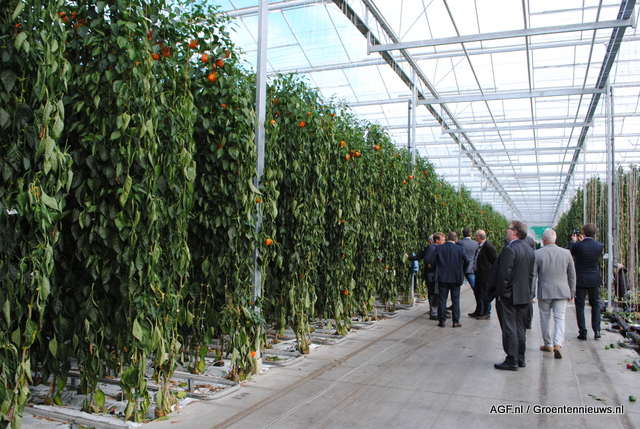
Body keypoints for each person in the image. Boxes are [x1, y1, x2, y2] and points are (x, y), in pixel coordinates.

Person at [489, 221, 535, 371]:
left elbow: (504, 275)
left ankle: (511, 359)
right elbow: (531, 275)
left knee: (509, 327)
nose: (506, 231)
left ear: (515, 232)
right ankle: (520, 358)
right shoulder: (529, 249)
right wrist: (529, 293)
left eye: (508, 229)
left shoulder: (510, 249)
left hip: (510, 296)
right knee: (520, 327)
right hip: (523, 295)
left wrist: (502, 293)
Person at [534, 229, 576, 359]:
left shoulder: (537, 254)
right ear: (555, 239)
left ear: (543, 240)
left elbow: (533, 276)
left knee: (544, 318)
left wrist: (531, 293)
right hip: (562, 291)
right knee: (560, 318)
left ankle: (548, 344)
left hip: (545, 291)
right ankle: (558, 343)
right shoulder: (566, 253)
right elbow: (572, 275)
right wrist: (572, 292)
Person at [570, 223, 605, 340]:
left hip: (581, 279)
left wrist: (574, 241)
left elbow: (572, 251)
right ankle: (597, 330)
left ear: (583, 232)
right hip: (594, 279)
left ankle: (583, 332)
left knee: (580, 306)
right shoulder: (599, 246)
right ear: (594, 233)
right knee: (595, 304)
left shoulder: (577, 246)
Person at [430, 231, 468, 328]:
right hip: (456, 278)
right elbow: (467, 261)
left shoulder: (439, 248)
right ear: (456, 239)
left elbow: (432, 261)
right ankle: (455, 321)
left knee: (442, 300)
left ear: (447, 238)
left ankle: (442, 321)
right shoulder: (460, 249)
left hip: (442, 278)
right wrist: (462, 271)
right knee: (456, 300)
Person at [409, 233, 445, 319]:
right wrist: (431, 265)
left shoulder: (435, 247)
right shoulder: (431, 248)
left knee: (435, 293)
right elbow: (427, 259)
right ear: (436, 240)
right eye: (443, 240)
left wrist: (410, 257)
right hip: (432, 275)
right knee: (433, 293)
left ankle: (437, 311)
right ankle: (434, 313)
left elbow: (419, 256)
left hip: (433, 274)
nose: (444, 241)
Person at [472, 229, 497, 320]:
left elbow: (495, 260)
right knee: (478, 293)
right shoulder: (480, 246)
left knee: (484, 294)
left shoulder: (488, 246)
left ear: (479, 237)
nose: (475, 238)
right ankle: (478, 311)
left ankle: (486, 313)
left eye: (476, 236)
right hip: (479, 274)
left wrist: (491, 273)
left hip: (485, 275)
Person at [458, 227, 480, 317]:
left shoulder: (460, 243)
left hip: (460, 268)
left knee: (455, 289)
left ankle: (454, 306)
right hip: (471, 269)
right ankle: (480, 307)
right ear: (470, 234)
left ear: (463, 234)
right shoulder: (476, 243)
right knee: (476, 289)